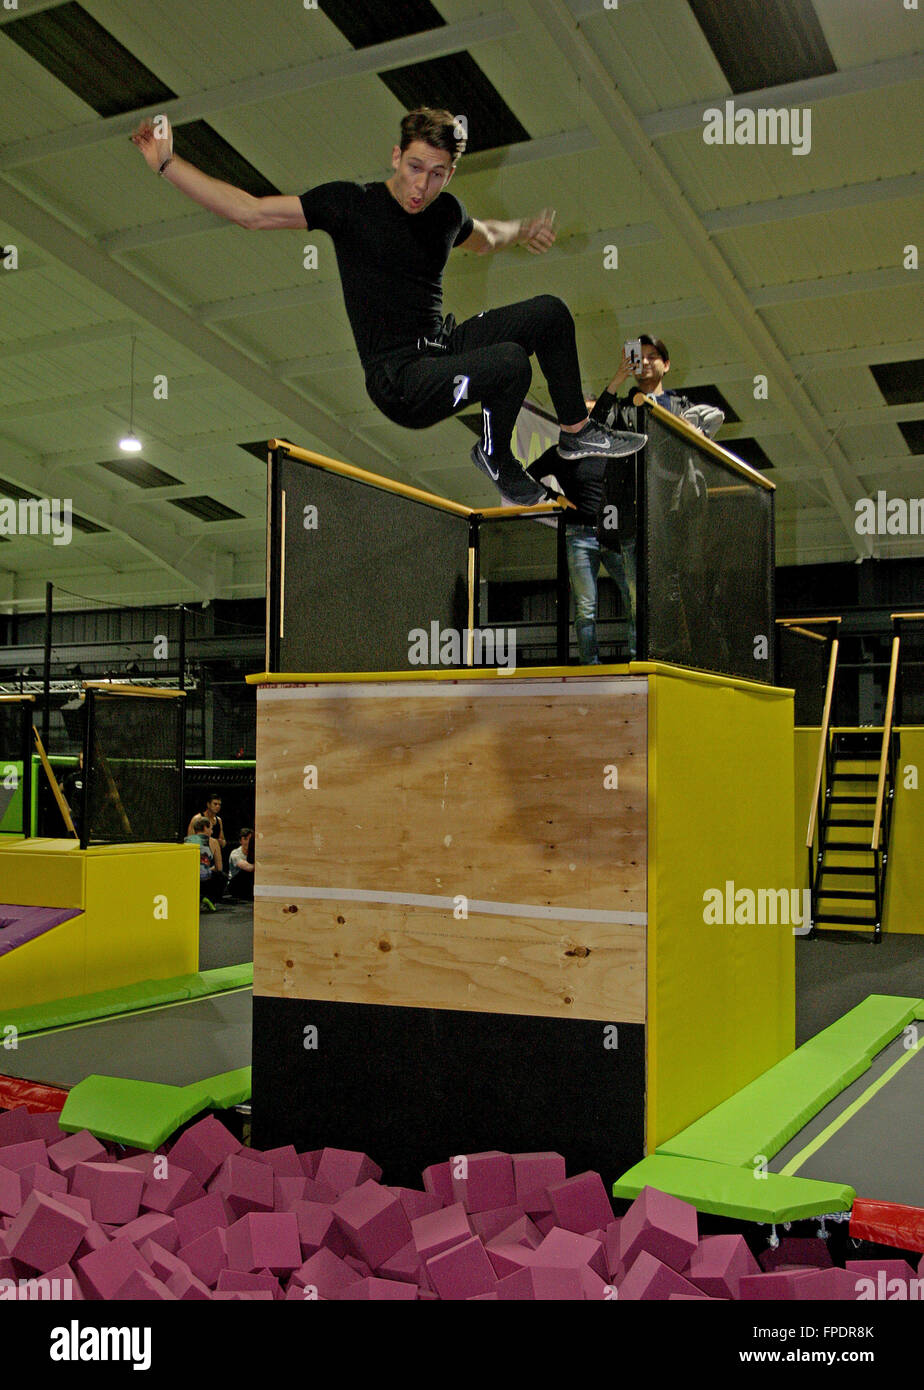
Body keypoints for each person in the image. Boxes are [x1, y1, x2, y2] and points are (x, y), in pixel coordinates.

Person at [131, 108, 646, 508]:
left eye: (438, 174)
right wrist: (168, 165)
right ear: (396, 155)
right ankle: (495, 453)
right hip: (399, 380)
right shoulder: (350, 206)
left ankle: (577, 433)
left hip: (441, 351)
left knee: (551, 313)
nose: (422, 186)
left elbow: (485, 237)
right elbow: (251, 213)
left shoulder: (446, 213)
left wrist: (524, 231)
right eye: (416, 167)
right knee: (510, 361)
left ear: (450, 174)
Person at [529, 336, 722, 664]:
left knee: (673, 589)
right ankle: (639, 661)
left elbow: (714, 417)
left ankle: (677, 656)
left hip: (670, 514)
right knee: (633, 598)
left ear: (666, 363)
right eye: (639, 357)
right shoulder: (618, 413)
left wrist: (694, 432)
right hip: (628, 523)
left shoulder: (678, 405)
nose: (644, 362)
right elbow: (598, 424)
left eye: (652, 357)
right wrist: (619, 377)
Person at [184, 814, 226, 911]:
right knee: (222, 876)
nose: (212, 831)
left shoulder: (186, 841)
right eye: (210, 829)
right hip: (204, 879)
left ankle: (199, 898)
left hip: (189, 880)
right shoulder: (213, 842)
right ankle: (210, 899)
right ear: (205, 828)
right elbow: (219, 868)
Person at [227, 828, 255, 902]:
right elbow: (249, 868)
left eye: (250, 839)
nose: (248, 842)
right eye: (245, 839)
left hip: (248, 884)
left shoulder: (256, 852)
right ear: (240, 841)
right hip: (235, 885)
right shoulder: (235, 853)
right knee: (246, 873)